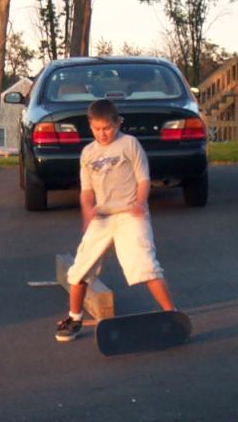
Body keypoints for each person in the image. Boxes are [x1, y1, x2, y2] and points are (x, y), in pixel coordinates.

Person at [55, 99, 176, 342]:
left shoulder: (129, 144)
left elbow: (143, 179)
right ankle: (74, 318)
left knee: (144, 266)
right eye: (97, 129)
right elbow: (86, 191)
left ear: (118, 123)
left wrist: (140, 203)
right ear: (90, 126)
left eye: (107, 128)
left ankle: (171, 314)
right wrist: (87, 210)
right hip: (102, 217)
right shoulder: (88, 153)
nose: (102, 134)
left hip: (131, 214)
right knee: (79, 271)